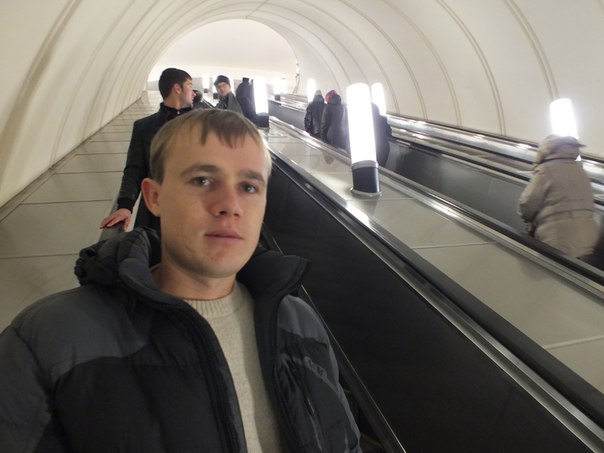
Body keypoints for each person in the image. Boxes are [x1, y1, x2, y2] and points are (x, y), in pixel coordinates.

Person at [0, 109, 362, 452]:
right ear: (154, 197)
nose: (230, 204)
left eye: (249, 187)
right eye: (202, 180)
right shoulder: (50, 340)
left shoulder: (299, 322)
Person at [99, 67, 194, 231]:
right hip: (155, 212)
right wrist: (125, 206)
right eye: (189, 86)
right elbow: (134, 169)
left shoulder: (201, 125)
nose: (193, 92)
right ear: (177, 88)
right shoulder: (144, 127)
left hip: (193, 209)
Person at [518, 134, 599, 258]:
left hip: (558, 235)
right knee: (577, 269)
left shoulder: (545, 170)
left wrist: (526, 217)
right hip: (589, 233)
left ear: (546, 150)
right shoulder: (580, 171)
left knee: (552, 268)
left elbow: (527, 203)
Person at [371, 102, 392, 167]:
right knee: (380, 167)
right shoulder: (383, 119)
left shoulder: (367, 121)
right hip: (384, 147)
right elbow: (389, 132)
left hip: (374, 147)